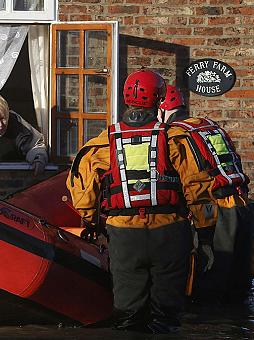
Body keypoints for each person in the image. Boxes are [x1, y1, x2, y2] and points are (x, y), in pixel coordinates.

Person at [67, 70, 217, 334]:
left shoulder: (104, 142)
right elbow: (198, 187)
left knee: (128, 312)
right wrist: (205, 236)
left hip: (124, 235)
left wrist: (92, 222)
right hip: (169, 232)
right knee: (167, 312)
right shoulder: (176, 139)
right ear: (160, 99)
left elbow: (82, 185)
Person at [159, 84, 252, 304]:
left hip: (215, 215)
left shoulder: (174, 135)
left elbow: (193, 181)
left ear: (160, 109)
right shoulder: (208, 125)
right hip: (241, 206)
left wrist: (199, 226)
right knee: (237, 287)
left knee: (209, 284)